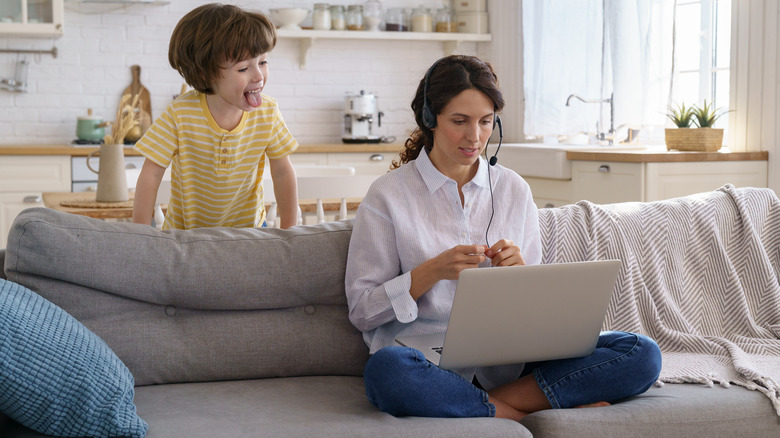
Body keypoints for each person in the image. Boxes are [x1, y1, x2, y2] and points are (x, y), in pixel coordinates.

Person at [344, 55, 662, 421]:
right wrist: (430, 271)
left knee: (641, 352)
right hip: (425, 359)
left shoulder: (513, 189)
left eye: (485, 121)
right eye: (459, 121)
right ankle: (522, 413)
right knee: (388, 373)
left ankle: (482, 403)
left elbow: (534, 310)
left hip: (508, 361)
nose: (475, 137)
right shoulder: (387, 196)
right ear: (429, 119)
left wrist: (522, 273)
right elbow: (363, 312)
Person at [132, 3, 298, 230]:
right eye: (243, 69)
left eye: (263, 62)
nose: (259, 75)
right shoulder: (179, 115)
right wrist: (139, 232)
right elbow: (150, 175)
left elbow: (282, 172)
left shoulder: (267, 113)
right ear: (205, 73)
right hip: (186, 239)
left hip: (249, 235)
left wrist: (290, 232)